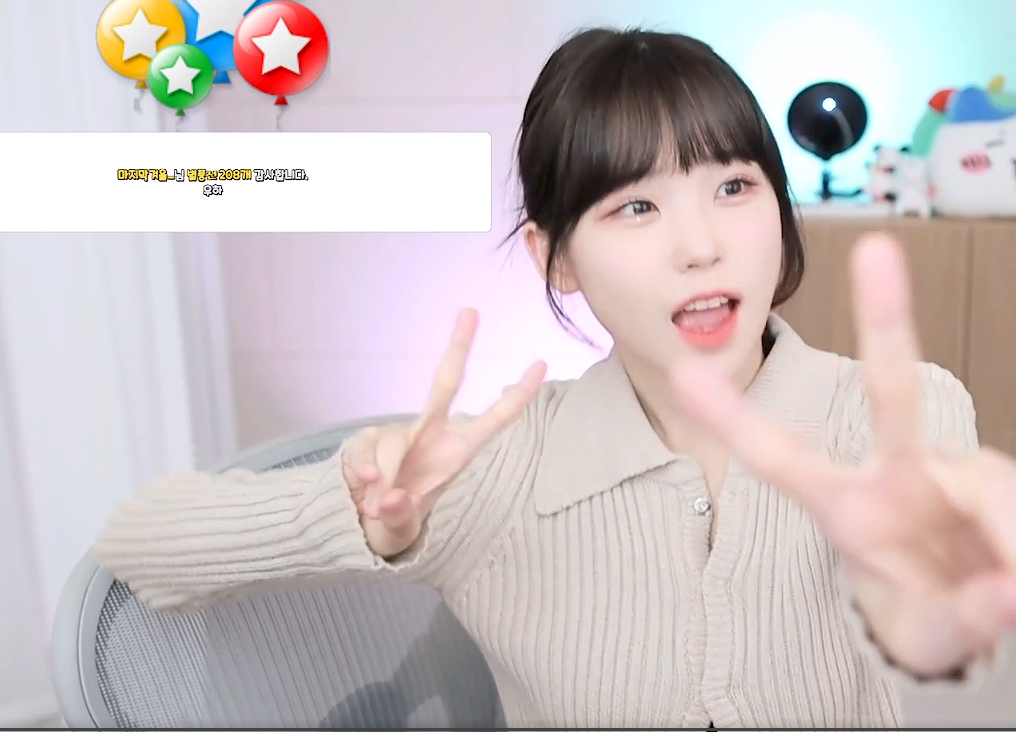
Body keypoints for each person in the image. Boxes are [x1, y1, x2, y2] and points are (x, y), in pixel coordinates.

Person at [94, 28, 1016, 729]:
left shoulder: (892, 416)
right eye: (637, 206)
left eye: (734, 187)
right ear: (556, 258)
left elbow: (946, 631)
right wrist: (357, 515)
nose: (702, 246)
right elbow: (138, 546)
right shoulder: (502, 468)